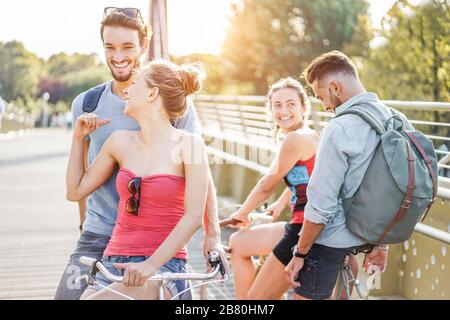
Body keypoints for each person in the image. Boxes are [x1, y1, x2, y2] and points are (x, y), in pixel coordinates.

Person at [54, 7, 226, 300]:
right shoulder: (88, 106)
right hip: (101, 236)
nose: (118, 56)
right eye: (110, 47)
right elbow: (77, 188)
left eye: (127, 47)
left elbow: (201, 178)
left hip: (160, 245)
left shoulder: (179, 115)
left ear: (144, 46)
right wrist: (77, 138)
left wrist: (214, 235)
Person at [65, 60, 209, 300]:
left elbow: (194, 217)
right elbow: (75, 191)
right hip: (113, 264)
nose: (128, 91)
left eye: (134, 84)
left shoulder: (191, 144)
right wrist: (78, 139)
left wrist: (151, 265)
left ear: (152, 93)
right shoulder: (119, 141)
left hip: (164, 267)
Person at [285, 50, 389, 300]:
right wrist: (382, 244)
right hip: (369, 237)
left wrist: (300, 254)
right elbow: (393, 191)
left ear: (335, 86)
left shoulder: (339, 128)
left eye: (322, 97)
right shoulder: (394, 119)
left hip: (330, 243)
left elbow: (321, 206)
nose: (326, 106)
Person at [227, 77, 319, 299]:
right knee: (237, 243)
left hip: (303, 229)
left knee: (257, 300)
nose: (283, 111)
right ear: (270, 110)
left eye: (290, 104)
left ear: (303, 107)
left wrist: (243, 213)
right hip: (305, 222)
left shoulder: (294, 139)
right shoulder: (310, 134)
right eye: (277, 105)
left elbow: (266, 185)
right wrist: (280, 203)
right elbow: (308, 178)